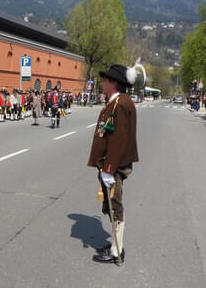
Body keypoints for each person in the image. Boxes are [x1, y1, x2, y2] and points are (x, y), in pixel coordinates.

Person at [88, 64, 139, 264]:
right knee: (111, 206)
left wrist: (109, 169)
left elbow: (118, 139)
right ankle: (116, 244)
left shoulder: (119, 104)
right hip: (112, 164)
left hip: (114, 166)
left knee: (115, 205)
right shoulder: (117, 102)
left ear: (114, 83)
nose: (102, 82)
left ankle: (117, 251)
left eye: (106, 79)